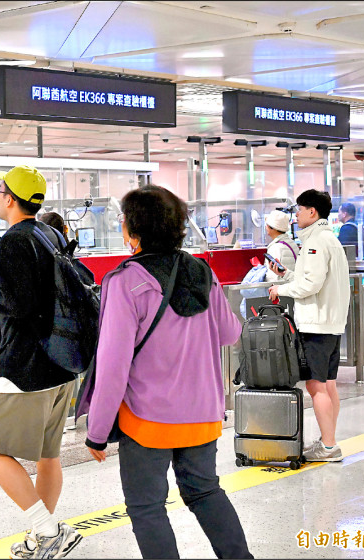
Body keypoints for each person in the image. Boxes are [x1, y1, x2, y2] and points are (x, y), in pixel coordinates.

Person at [80, 185, 253, 559]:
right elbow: (230, 333)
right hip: (203, 414)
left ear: (134, 229)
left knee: (147, 507)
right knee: (204, 491)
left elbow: (112, 365)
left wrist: (97, 432)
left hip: (148, 420)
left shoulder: (125, 281)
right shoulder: (202, 271)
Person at [0, 165, 82, 559]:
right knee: (48, 455)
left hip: (23, 367)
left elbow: (10, 304)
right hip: (61, 364)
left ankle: (48, 530)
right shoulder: (50, 234)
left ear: (10, 199)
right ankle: (42, 538)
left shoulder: (16, 240)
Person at [268, 189, 350, 462]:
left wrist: (281, 289)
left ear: (312, 212)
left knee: (316, 387)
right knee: (328, 385)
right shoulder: (328, 239)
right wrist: (287, 275)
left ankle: (328, 446)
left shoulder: (316, 242)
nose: (296, 216)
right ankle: (328, 440)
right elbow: (313, 279)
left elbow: (311, 285)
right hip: (330, 323)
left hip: (317, 324)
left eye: (299, 210)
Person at [263, 209, 299, 282]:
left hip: (281, 287)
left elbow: (273, 276)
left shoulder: (275, 248)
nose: (266, 227)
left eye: (267, 225)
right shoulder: (292, 243)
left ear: (272, 228)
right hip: (293, 285)